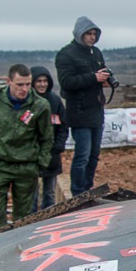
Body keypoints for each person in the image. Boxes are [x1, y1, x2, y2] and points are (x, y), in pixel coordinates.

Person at [0, 64, 52, 235]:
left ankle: (20, 254)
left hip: (27, 166)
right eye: (19, 84)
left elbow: (46, 138)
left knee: (24, 218)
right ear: (9, 82)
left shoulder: (40, 105)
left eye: (28, 84)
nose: (24, 89)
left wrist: (40, 163)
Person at [55, 16, 109, 196]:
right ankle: (78, 191)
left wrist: (105, 81)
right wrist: (93, 78)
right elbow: (66, 82)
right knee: (82, 155)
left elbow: (100, 73)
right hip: (78, 112)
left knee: (94, 155)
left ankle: (87, 187)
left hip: (96, 110)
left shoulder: (96, 53)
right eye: (88, 34)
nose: (92, 37)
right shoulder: (66, 54)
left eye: (94, 34)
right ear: (80, 34)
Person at [29, 66, 69, 212]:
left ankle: (49, 220)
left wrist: (58, 146)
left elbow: (63, 126)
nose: (42, 84)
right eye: (38, 81)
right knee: (31, 195)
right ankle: (30, 223)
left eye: (45, 81)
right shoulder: (27, 102)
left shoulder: (55, 101)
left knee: (49, 193)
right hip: (31, 156)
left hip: (52, 154)